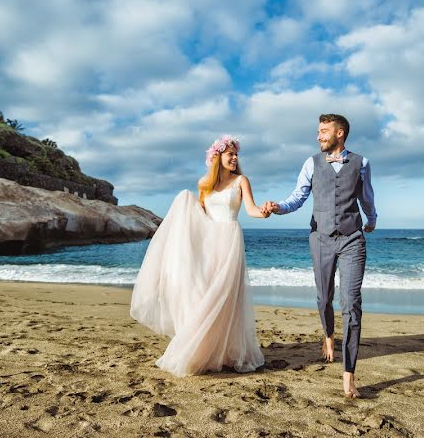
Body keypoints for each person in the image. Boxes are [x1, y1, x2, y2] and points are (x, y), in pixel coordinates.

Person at [130, 134, 267, 376]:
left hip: (230, 240)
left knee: (223, 297)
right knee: (202, 292)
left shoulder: (241, 180)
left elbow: (251, 209)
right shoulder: (204, 184)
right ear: (217, 157)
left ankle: (223, 352)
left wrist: (265, 212)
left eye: (236, 154)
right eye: (230, 154)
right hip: (208, 242)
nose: (234, 158)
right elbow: (200, 215)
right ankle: (203, 349)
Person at [263, 114, 376, 398]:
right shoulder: (310, 163)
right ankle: (328, 335)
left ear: (340, 133)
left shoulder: (361, 163)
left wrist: (371, 219)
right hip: (321, 239)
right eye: (318, 131)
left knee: (352, 305)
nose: (318, 136)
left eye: (323, 131)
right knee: (324, 297)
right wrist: (278, 207)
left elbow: (367, 198)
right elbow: (298, 197)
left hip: (352, 239)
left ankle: (349, 374)